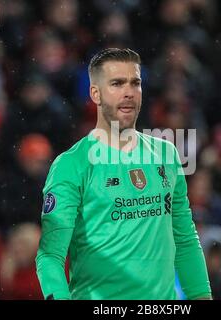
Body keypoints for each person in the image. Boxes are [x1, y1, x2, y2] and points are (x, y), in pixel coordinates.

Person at [36, 48, 211, 300]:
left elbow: (184, 240)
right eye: (117, 83)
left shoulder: (166, 154)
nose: (129, 92)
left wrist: (201, 296)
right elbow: (50, 256)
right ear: (95, 93)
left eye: (135, 83)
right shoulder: (71, 165)